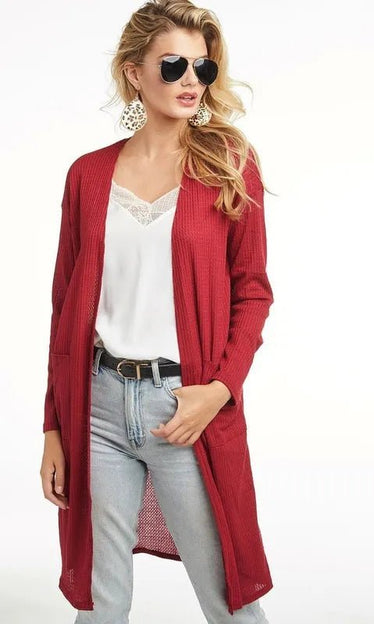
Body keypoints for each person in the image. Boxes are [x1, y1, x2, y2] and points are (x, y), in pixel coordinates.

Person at [40, 1, 274, 622]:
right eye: (173, 66)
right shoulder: (88, 176)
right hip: (97, 406)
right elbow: (65, 311)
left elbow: (253, 292)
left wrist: (218, 391)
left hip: (184, 408)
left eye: (203, 67)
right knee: (101, 601)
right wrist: (54, 427)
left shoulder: (227, 166)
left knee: (228, 599)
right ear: (133, 73)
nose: (191, 80)